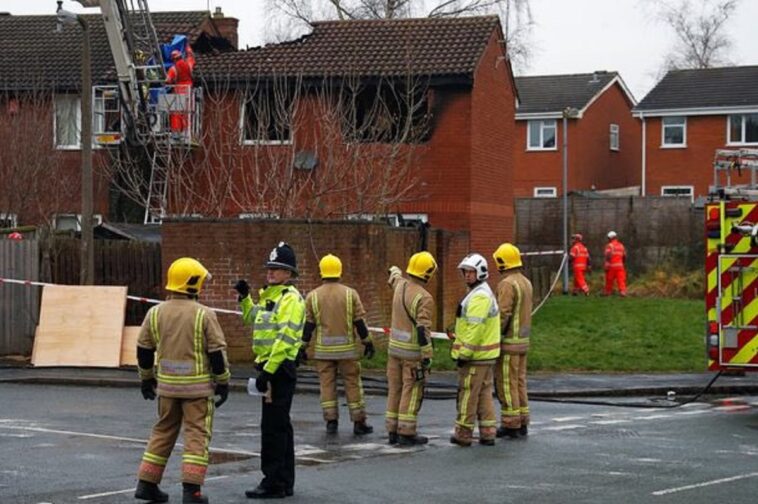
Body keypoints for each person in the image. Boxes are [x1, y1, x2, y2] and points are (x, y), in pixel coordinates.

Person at [135, 257, 230, 504]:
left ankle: (147, 483)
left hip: (166, 388)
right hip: (197, 391)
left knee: (163, 431)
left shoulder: (154, 313)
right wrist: (223, 381)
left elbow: (144, 349)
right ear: (192, 283)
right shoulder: (204, 315)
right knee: (197, 435)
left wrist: (146, 379)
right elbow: (216, 353)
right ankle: (192, 492)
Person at [236, 242, 305, 499]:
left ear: (289, 274)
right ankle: (283, 481)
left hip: (278, 369)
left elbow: (285, 339)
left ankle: (273, 481)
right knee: (281, 426)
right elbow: (251, 317)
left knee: (273, 429)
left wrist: (268, 371)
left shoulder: (290, 300)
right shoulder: (271, 297)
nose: (271, 272)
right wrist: (244, 298)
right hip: (271, 367)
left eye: (277, 269)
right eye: (270, 268)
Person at [300, 254, 375, 435]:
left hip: (323, 352)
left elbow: (308, 325)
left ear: (322, 272)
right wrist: (368, 342)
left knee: (326, 386)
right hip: (347, 352)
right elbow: (359, 322)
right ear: (340, 271)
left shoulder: (313, 296)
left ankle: (331, 422)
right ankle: (358, 422)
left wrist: (302, 347)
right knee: (352, 384)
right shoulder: (350, 294)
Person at [385, 251, 437, 446]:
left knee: (394, 389)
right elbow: (423, 328)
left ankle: (392, 429)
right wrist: (427, 355)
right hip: (411, 354)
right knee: (411, 390)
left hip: (393, 350)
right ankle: (406, 432)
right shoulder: (425, 297)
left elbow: (394, 276)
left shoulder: (400, 286)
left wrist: (393, 269)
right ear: (428, 273)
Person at [449, 253, 500, 447]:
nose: (467, 275)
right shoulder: (481, 292)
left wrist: (464, 354)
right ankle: (488, 432)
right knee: (484, 394)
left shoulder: (479, 296)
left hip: (475, 356)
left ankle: (463, 434)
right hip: (486, 356)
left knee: (468, 394)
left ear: (480, 273)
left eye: (471, 272)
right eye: (466, 272)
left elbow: (475, 328)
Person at [492, 243, 533, 439]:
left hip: (509, 344)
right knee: (519, 383)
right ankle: (523, 420)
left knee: (506, 384)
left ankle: (511, 424)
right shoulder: (525, 282)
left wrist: (494, 335)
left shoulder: (507, 284)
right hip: (523, 342)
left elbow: (503, 314)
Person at [166, 46, 195, 137]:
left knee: (176, 113)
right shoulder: (188, 64)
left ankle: (176, 132)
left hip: (179, 92)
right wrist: (188, 47)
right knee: (186, 114)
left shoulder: (173, 69)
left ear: (173, 59)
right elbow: (191, 58)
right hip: (189, 92)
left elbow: (168, 80)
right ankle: (186, 131)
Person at [604, 231, 627, 296]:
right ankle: (623, 292)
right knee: (621, 280)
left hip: (612, 266)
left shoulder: (610, 245)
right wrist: (622, 263)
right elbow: (624, 256)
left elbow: (608, 256)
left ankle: (607, 292)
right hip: (620, 266)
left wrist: (607, 265)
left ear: (610, 238)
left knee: (609, 279)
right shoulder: (621, 245)